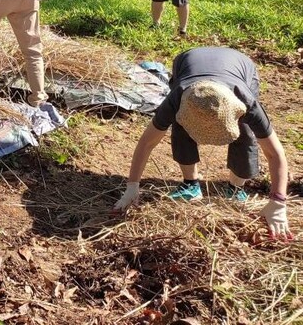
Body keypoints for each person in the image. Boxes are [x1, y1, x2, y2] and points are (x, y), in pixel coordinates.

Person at [112, 47, 292, 241]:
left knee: (245, 132)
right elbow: (147, 143)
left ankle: (235, 188)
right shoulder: (178, 98)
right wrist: (132, 187)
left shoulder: (246, 102)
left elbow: (275, 153)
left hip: (240, 67)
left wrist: (278, 203)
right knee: (183, 120)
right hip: (188, 63)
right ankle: (190, 184)